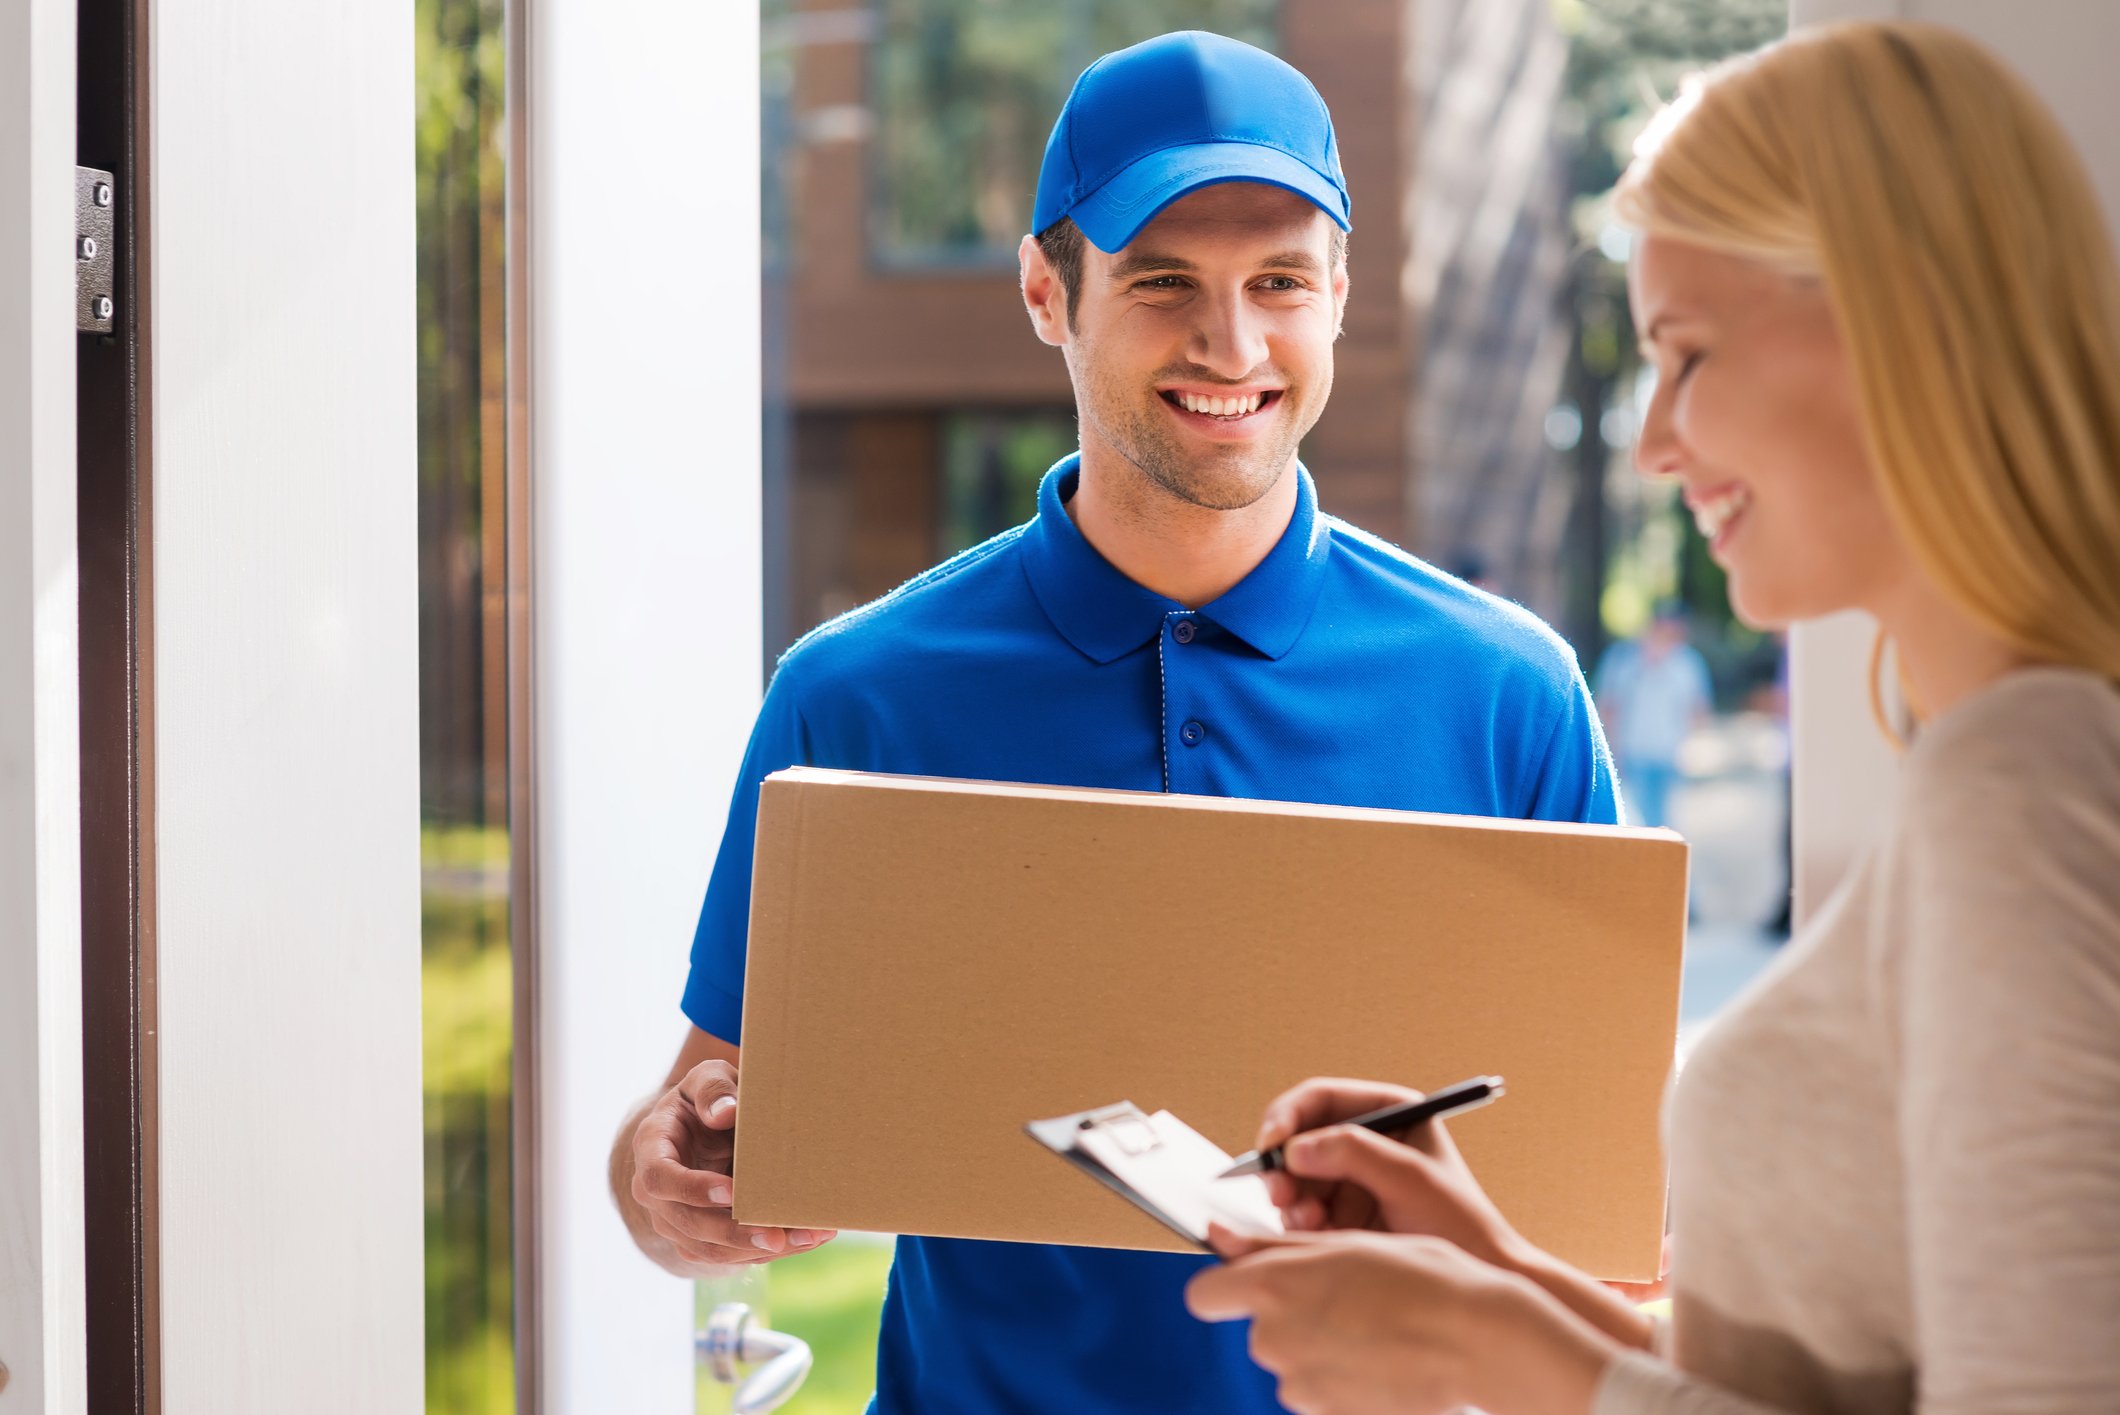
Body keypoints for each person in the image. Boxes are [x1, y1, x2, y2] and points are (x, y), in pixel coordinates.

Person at [608, 29, 1619, 1415]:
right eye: (1163, 284)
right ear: (1046, 290)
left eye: (1280, 283)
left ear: (1339, 293)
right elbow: (691, 1115)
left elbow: (1628, 1213)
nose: (1234, 345)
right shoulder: (857, 695)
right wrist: (669, 1182)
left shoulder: (1510, 695)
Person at [1185, 20, 2120, 1414]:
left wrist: (1488, 1351)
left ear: (1902, 320)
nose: (1650, 440)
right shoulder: (2002, 771)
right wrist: (1488, 1264)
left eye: (1685, 353)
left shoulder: (2027, 787)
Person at [1593, 604, 1713, 827]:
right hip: (1632, 751)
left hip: (1669, 753)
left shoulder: (1687, 663)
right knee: (1635, 819)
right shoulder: (1623, 659)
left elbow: (1699, 709)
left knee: (1663, 821)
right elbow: (1608, 706)